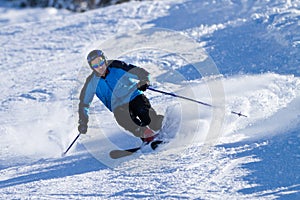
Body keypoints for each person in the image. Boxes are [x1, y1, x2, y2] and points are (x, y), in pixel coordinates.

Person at [78, 49, 164, 142]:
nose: (99, 67)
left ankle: (166, 124)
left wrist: (145, 81)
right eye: (95, 65)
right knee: (125, 119)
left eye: (100, 62)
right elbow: (84, 104)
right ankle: (147, 135)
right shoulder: (91, 82)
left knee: (147, 117)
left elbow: (141, 72)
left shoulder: (116, 66)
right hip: (118, 107)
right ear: (92, 67)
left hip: (134, 96)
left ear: (105, 59)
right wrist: (83, 122)